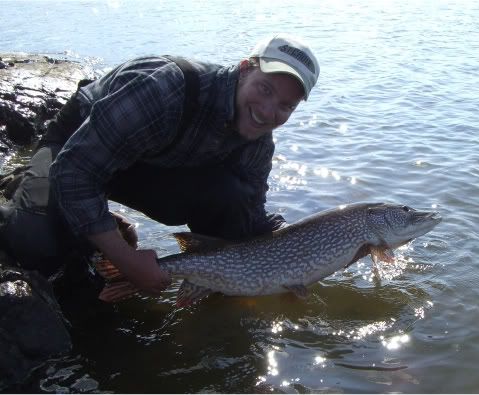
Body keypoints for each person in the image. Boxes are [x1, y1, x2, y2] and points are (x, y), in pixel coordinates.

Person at [0, 33, 320, 297]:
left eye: (285, 106)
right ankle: (29, 186)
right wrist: (126, 260)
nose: (267, 111)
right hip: (76, 148)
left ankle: (93, 219)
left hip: (146, 164)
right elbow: (75, 171)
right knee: (35, 244)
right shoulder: (166, 88)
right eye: (265, 89)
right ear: (245, 69)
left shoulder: (258, 144)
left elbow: (251, 218)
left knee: (232, 201)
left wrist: (316, 248)